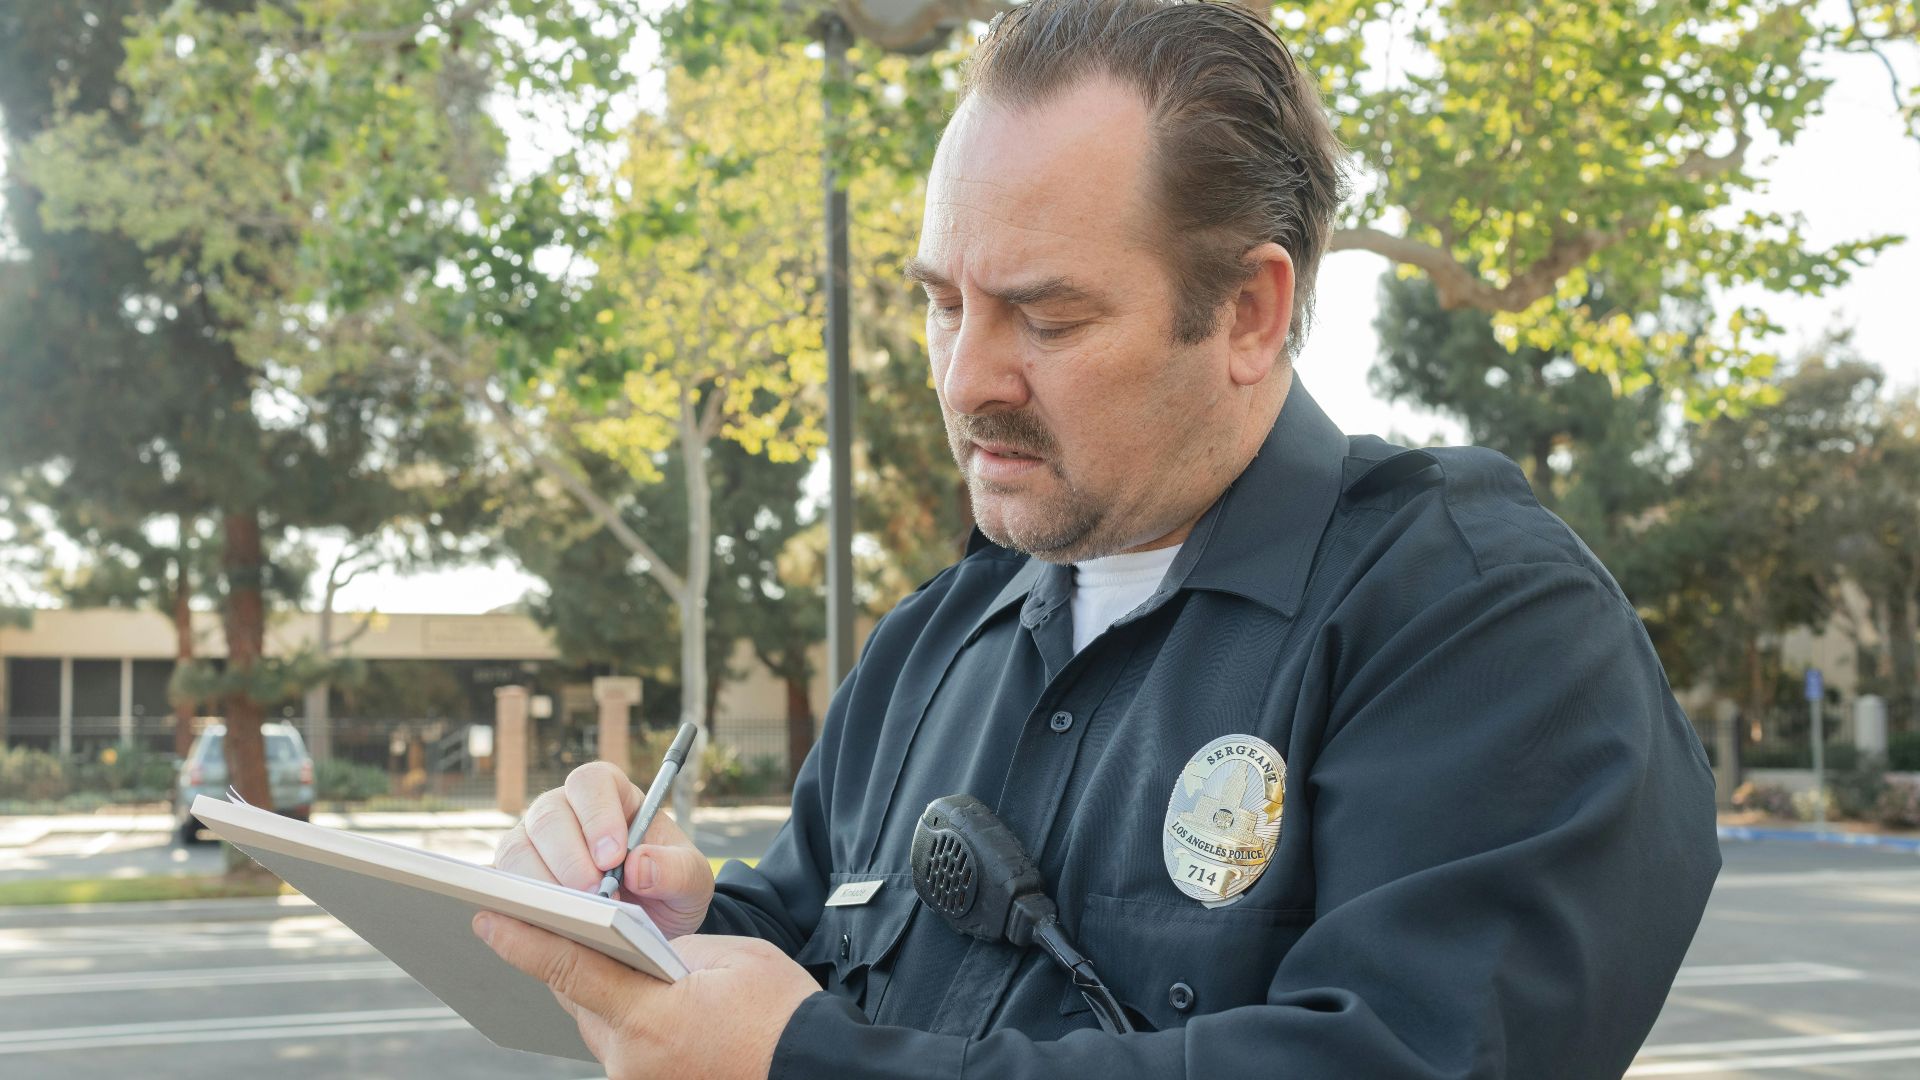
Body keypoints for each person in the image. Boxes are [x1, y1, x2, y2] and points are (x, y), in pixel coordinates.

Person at [478, 1, 1722, 1077]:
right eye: (942, 303)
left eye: (1045, 317)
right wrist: (669, 919)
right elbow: (814, 948)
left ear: (1248, 310)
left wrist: (812, 1067)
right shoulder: (931, 645)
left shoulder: (1481, 622)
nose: (968, 379)